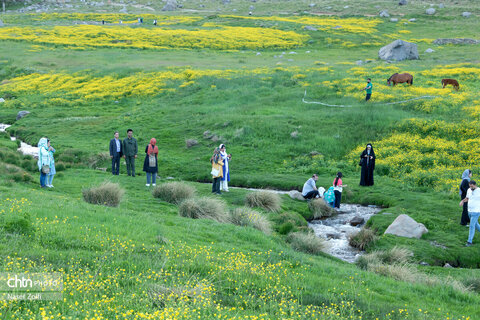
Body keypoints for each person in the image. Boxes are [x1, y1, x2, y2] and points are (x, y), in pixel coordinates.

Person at [459, 180, 480, 246]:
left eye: (472, 186)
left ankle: (469, 242)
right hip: (469, 210)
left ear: (474, 185)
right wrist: (462, 201)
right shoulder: (469, 190)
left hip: (476, 211)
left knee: (471, 226)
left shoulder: (479, 190)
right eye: (470, 186)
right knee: (476, 224)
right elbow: (467, 198)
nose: (471, 187)